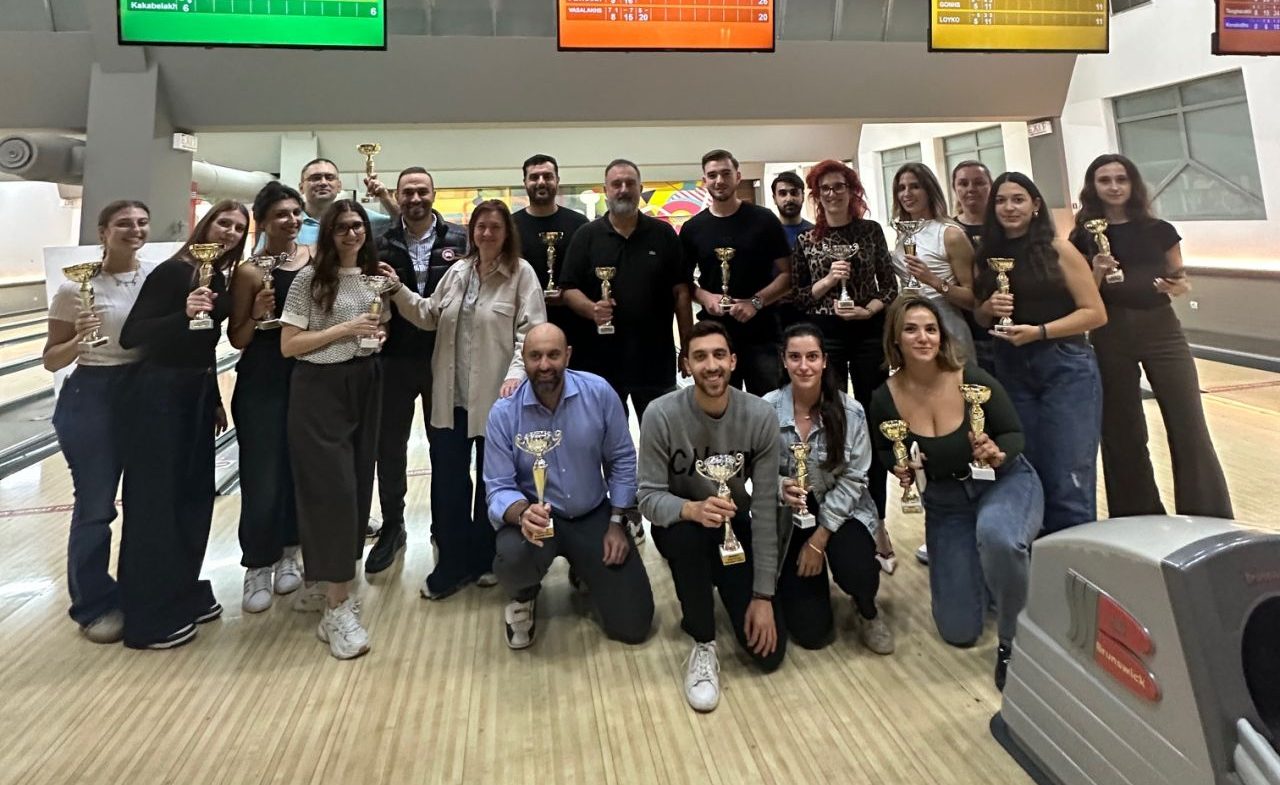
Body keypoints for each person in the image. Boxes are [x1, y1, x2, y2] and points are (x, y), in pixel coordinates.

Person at [869, 295, 1043, 690]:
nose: (923, 337)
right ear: (895, 338)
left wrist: (998, 452)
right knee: (959, 630)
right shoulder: (884, 397)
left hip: (1004, 482)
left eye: (931, 329)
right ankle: (995, 576)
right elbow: (885, 448)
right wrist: (898, 466)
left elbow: (1013, 433)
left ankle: (1015, 642)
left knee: (998, 537)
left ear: (941, 335)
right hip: (946, 505)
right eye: (911, 329)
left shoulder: (972, 379)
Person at [384, 199, 547, 601]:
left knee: (493, 482)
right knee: (449, 482)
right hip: (451, 396)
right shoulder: (458, 271)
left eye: (495, 227)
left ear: (507, 233)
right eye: (481, 226)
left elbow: (531, 334)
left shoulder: (521, 274)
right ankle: (453, 563)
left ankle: (486, 556)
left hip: (498, 400)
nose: (487, 233)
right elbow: (428, 315)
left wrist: (515, 377)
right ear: (472, 231)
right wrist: (398, 290)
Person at [117, 200, 250, 649]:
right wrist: (183, 313)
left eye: (238, 227)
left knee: (191, 497)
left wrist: (213, 398)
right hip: (159, 395)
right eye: (223, 223)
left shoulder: (219, 276)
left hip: (195, 393)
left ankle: (179, 588)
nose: (230, 232)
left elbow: (203, 346)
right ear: (205, 225)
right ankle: (146, 615)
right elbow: (133, 335)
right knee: (156, 503)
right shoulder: (174, 272)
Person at [1069, 153, 1232, 519]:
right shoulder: (1082, 236)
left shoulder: (1161, 230)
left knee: (1188, 422)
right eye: (1105, 180)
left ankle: (1207, 514)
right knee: (1121, 429)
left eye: (1121, 179)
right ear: (1093, 186)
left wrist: (1177, 287)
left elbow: (1181, 279)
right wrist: (1096, 270)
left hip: (1162, 330)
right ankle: (1136, 515)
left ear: (1133, 184)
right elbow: (1082, 294)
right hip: (1110, 332)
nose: (1114, 187)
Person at [638, 320, 785, 713]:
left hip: (733, 526)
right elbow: (648, 497)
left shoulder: (759, 415)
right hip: (683, 524)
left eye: (719, 355)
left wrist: (763, 596)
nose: (711, 365)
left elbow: (765, 508)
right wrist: (691, 509)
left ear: (733, 361)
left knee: (768, 655)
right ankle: (703, 641)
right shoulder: (660, 414)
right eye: (700, 357)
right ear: (686, 364)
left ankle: (728, 581)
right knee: (687, 542)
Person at [485, 323, 653, 649]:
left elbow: (622, 459)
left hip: (592, 515)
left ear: (568, 355)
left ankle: (585, 568)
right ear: (523, 359)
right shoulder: (504, 413)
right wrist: (523, 513)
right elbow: (498, 486)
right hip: (536, 521)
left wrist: (617, 522)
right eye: (535, 356)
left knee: (634, 625)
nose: (544, 365)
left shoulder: (599, 392)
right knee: (513, 556)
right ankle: (523, 595)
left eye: (553, 355)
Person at [279, 200, 388, 659]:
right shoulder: (309, 280)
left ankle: (325, 582)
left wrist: (374, 335)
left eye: (358, 226)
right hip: (319, 388)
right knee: (334, 490)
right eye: (342, 227)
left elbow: (375, 327)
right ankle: (337, 607)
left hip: (365, 381)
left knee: (358, 486)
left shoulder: (371, 278)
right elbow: (289, 345)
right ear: (328, 232)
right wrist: (345, 329)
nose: (351, 233)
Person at [43, 200, 156, 644]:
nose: (135, 229)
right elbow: (51, 360)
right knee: (95, 507)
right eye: (124, 223)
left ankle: (144, 588)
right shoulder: (75, 289)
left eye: (142, 223)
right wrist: (78, 340)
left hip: (145, 393)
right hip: (92, 394)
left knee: (148, 505)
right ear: (103, 231)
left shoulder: (156, 278)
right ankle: (92, 604)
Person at [973, 172, 1107, 535]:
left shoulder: (1058, 249)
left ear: (1035, 205)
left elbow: (1095, 313)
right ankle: (1038, 555)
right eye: (1001, 200)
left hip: (1064, 366)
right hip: (1011, 368)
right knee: (1027, 468)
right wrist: (987, 307)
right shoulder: (986, 255)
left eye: (1018, 199)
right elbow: (980, 316)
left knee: (1069, 474)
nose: (1009, 207)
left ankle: (1074, 559)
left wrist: (1040, 332)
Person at [789, 159, 898, 573]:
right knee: (833, 426)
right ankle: (833, 518)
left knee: (872, 423)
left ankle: (878, 521)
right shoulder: (807, 240)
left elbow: (889, 287)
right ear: (817, 196)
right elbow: (800, 296)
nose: (833, 193)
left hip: (868, 333)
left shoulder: (870, 231)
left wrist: (868, 310)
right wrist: (830, 281)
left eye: (840, 186)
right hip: (826, 337)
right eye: (825, 188)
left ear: (852, 191)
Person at [764, 323, 893, 654]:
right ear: (783, 360)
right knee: (812, 634)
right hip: (793, 515)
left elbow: (854, 480)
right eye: (795, 357)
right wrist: (780, 486)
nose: (804, 366)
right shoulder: (765, 409)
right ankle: (806, 586)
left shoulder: (851, 411)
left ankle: (867, 609)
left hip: (842, 509)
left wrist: (819, 541)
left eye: (812, 357)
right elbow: (757, 469)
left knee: (856, 567)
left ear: (824, 361)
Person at [366, 166, 469, 574]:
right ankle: (393, 526)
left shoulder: (460, 239)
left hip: (445, 357)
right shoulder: (379, 242)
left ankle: (446, 526)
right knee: (389, 447)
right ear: (397, 196)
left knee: (446, 445)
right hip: (393, 358)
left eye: (421, 191)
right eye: (407, 192)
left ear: (433, 194)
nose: (415, 199)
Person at [227, 182, 312, 613]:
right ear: (262, 221)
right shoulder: (248, 272)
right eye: (282, 214)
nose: (291, 221)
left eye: (296, 213)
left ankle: (291, 551)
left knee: (299, 470)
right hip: (262, 380)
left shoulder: (315, 260)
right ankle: (258, 563)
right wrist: (258, 315)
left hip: (307, 376)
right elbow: (237, 337)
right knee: (261, 476)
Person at [560, 159, 693, 424]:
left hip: (655, 361)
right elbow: (568, 289)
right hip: (601, 363)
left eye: (630, 183)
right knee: (607, 440)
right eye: (616, 184)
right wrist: (592, 309)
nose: (623, 189)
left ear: (640, 189)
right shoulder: (586, 236)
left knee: (662, 438)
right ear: (605, 190)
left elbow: (681, 293)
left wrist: (689, 346)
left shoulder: (663, 234)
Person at [682, 149, 792, 394]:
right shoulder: (692, 228)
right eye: (712, 175)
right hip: (714, 335)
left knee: (767, 406)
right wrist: (705, 297)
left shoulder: (764, 220)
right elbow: (682, 282)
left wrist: (756, 302)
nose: (719, 180)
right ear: (704, 180)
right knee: (717, 405)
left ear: (738, 177)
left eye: (725, 173)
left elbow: (788, 275)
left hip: (761, 333)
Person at [890, 163, 977, 362]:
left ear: (929, 190)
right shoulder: (903, 234)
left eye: (915, 186)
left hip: (946, 323)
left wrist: (933, 280)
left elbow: (973, 299)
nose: (907, 194)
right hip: (910, 324)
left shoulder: (950, 234)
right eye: (901, 188)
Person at [511, 154, 590, 347]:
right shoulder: (510, 226)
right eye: (534, 177)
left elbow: (590, 274)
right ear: (525, 182)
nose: (541, 182)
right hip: (524, 328)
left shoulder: (580, 225)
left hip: (575, 328)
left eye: (547, 176)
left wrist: (569, 296)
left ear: (557, 180)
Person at [951, 160, 996, 374]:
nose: (971, 189)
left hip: (1009, 331)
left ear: (990, 185)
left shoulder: (1007, 225)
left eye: (979, 182)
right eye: (963, 183)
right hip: (965, 333)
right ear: (955, 188)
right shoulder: (948, 231)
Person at [292, 158, 395, 245]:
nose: (323, 183)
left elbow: (400, 222)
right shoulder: (291, 220)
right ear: (301, 187)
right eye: (315, 178)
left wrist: (385, 197)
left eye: (329, 178)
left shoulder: (357, 216)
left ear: (339, 186)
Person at [772, 171, 814, 250]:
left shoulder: (815, 233)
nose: (789, 199)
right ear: (774, 199)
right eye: (783, 194)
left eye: (794, 193)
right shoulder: (767, 233)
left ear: (803, 197)